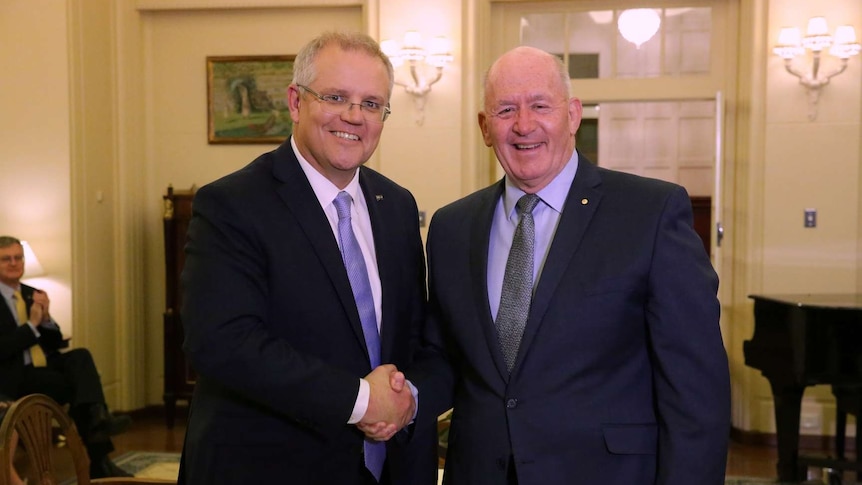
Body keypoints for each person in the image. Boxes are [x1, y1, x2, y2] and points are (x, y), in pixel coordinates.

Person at [410, 46, 731, 484]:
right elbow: (445, 354)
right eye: (506, 110)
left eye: (540, 106)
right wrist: (398, 400)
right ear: (485, 128)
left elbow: (696, 393)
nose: (524, 125)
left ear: (573, 115)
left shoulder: (650, 214)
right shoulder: (451, 228)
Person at [177, 31, 435, 485]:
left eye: (372, 104)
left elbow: (413, 335)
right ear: (296, 102)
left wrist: (407, 396)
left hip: (385, 470)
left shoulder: (395, 206)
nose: (354, 117)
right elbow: (223, 342)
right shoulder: (233, 204)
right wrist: (360, 400)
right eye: (336, 97)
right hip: (268, 469)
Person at [0, 236, 133, 479]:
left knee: (80, 357)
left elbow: (55, 341)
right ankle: (99, 456)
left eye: (18, 258)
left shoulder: (33, 293)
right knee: (80, 390)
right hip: (13, 376)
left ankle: (96, 420)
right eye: (6, 259)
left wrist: (47, 318)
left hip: (43, 367)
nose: (13, 263)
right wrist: (32, 325)